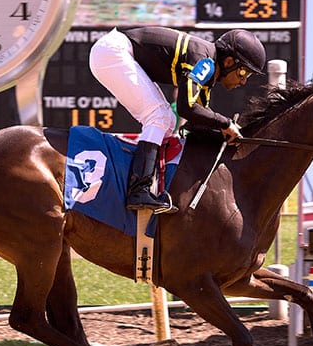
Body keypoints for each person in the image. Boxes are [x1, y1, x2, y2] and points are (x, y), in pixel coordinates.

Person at [89, 27, 266, 214]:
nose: (244, 81)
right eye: (244, 73)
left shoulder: (208, 69)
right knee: (158, 116)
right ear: (229, 61)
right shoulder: (205, 62)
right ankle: (138, 189)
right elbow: (186, 107)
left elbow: (198, 120)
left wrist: (226, 133)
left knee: (165, 118)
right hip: (113, 52)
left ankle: (143, 184)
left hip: (114, 51)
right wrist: (225, 123)